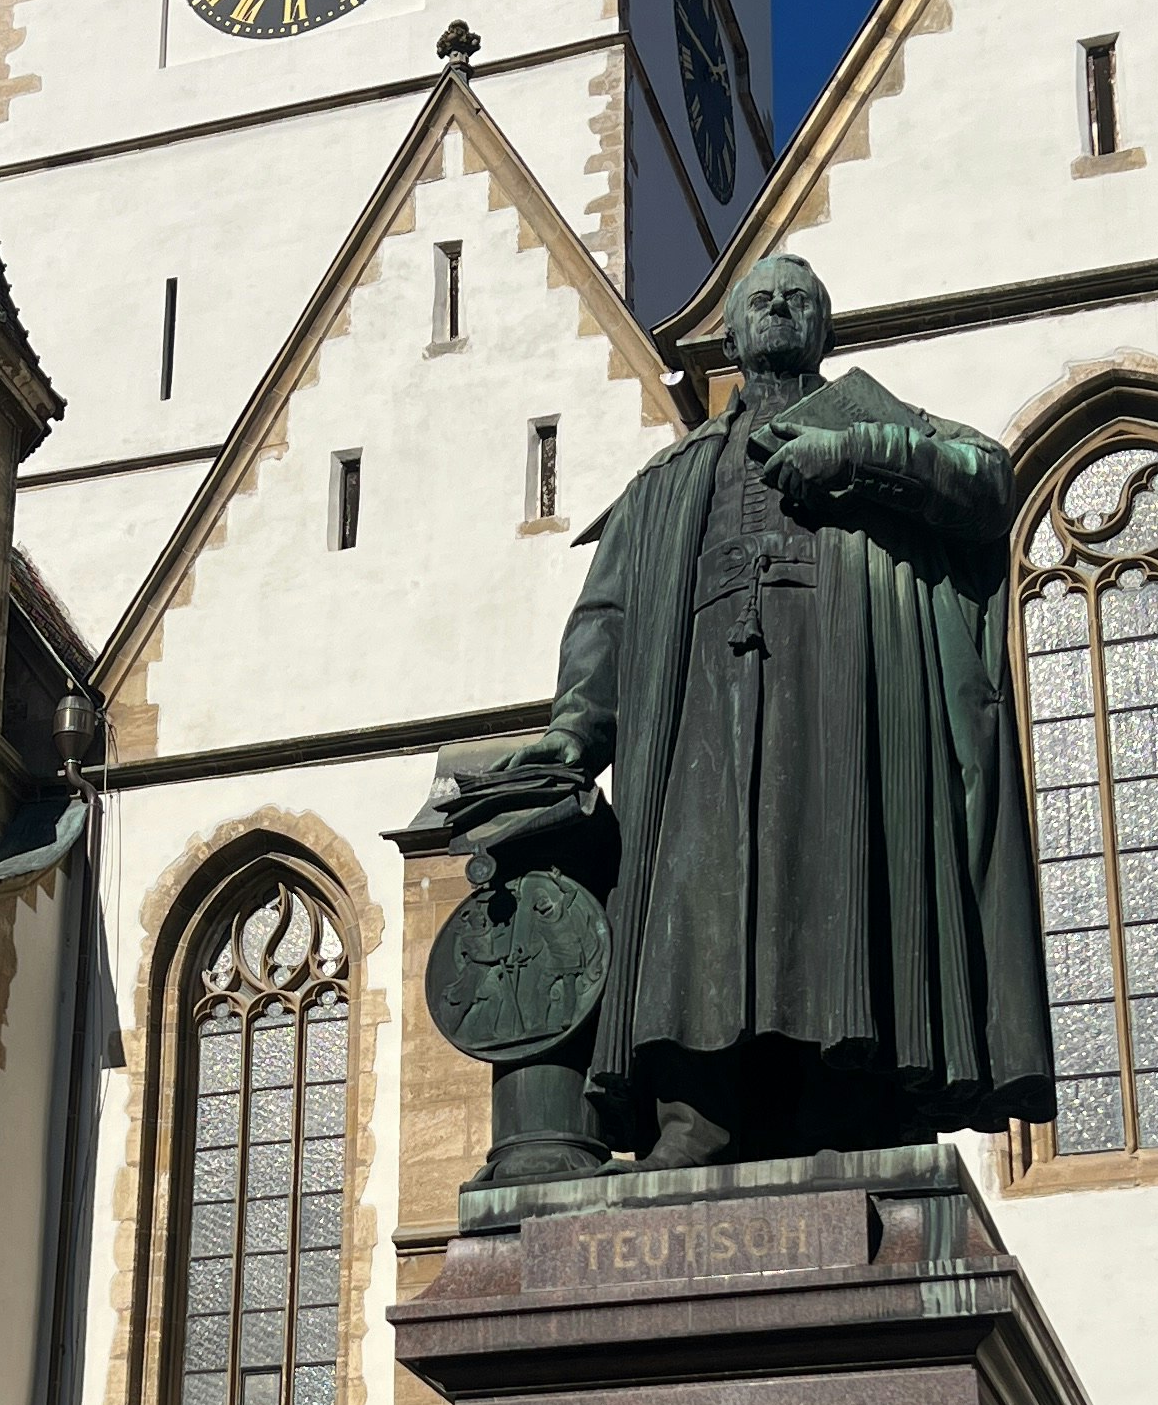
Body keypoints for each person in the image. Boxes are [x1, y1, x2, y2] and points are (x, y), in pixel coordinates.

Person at [447, 253, 1054, 1166]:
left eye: (797, 297)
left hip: (842, 701)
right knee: (697, 895)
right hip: (695, 714)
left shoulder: (880, 425)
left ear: (825, 330)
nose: (778, 305)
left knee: (831, 878)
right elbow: (605, 620)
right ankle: (699, 1110)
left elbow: (988, 480)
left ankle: (837, 1103)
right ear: (729, 335)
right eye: (760, 298)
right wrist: (575, 729)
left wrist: (855, 457)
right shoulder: (665, 482)